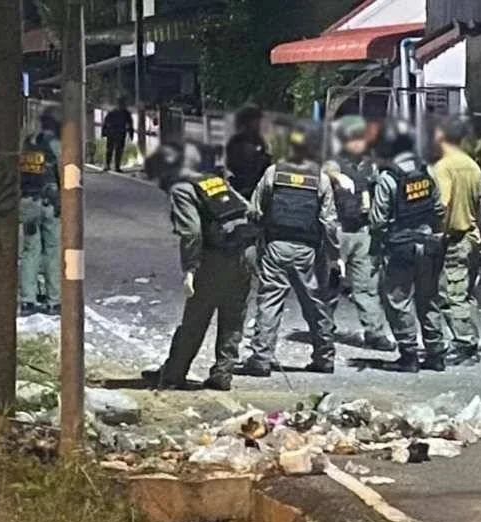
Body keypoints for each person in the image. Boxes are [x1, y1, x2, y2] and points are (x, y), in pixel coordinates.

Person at [142, 141, 258, 391]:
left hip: (216, 260)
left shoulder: (182, 189)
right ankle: (223, 373)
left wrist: (190, 269)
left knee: (195, 320)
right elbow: (249, 210)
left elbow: (191, 232)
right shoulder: (216, 182)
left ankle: (173, 375)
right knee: (233, 317)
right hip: (246, 254)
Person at [239, 124, 339, 377]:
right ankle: (325, 358)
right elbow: (328, 221)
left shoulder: (274, 173)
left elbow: (255, 210)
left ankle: (261, 359)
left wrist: (256, 238)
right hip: (308, 251)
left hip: (276, 247)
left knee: (270, 301)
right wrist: (334, 253)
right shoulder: (320, 179)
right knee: (315, 303)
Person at [370, 118, 448, 373]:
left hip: (401, 249)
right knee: (429, 299)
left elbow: (378, 220)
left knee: (399, 300)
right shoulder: (427, 171)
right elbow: (438, 209)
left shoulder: (388, 178)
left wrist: (380, 244)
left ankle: (409, 354)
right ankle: (436, 353)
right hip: (429, 245)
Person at [323, 116, 394, 352]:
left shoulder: (369, 165)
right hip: (339, 231)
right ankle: (323, 330)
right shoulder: (334, 162)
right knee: (330, 284)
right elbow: (327, 171)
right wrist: (337, 177)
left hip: (363, 231)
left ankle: (375, 333)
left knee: (367, 286)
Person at [432, 116, 481, 367]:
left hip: (454, 239)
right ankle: (471, 339)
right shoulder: (473, 166)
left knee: (453, 295)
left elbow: (442, 205)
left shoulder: (443, 167)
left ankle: (464, 344)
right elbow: (479, 205)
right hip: (472, 237)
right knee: (467, 293)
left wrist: (436, 235)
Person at [18, 107, 61, 316]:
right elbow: (65, 172)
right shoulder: (55, 144)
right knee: (52, 249)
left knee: (30, 250)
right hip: (49, 203)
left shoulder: (27, 143)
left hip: (27, 202)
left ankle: (28, 300)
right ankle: (54, 300)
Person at [225, 105, 272, 199]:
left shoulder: (258, 140)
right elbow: (236, 166)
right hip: (243, 188)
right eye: (255, 120)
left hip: (257, 186)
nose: (258, 124)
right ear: (247, 121)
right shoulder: (238, 141)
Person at [102, 97, 134, 172]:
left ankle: (111, 166)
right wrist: (131, 134)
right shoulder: (124, 112)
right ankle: (113, 166)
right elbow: (130, 124)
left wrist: (104, 132)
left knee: (113, 150)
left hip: (115, 132)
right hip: (117, 132)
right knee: (115, 150)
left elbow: (105, 122)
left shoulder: (115, 112)